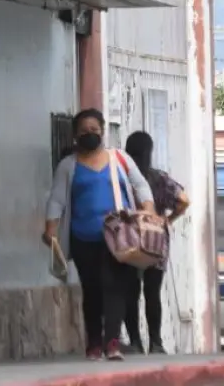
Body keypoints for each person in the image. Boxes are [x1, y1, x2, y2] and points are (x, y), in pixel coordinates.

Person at [44, 110, 156, 362]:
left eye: (94, 130)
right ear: (75, 135)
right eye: (84, 131)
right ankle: (94, 343)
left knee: (116, 288)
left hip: (119, 238)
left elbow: (140, 185)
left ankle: (113, 342)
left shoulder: (119, 159)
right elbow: (57, 199)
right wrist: (50, 227)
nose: (89, 135)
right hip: (83, 238)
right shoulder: (68, 166)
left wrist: (147, 209)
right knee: (92, 290)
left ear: (102, 131)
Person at [121, 131, 189, 355]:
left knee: (130, 292)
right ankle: (156, 342)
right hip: (155, 242)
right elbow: (183, 200)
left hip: (128, 242)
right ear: (150, 152)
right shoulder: (159, 178)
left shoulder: (123, 177)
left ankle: (134, 342)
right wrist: (167, 220)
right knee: (153, 293)